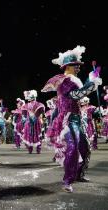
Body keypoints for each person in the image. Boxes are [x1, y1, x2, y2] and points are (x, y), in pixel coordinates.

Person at [42, 45, 102, 193]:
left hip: (77, 119)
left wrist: (91, 81)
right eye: (76, 66)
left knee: (85, 148)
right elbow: (76, 95)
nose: (79, 68)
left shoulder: (73, 80)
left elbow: (79, 96)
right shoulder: (63, 81)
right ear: (68, 66)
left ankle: (78, 174)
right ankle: (67, 181)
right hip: (67, 120)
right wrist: (92, 83)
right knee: (73, 148)